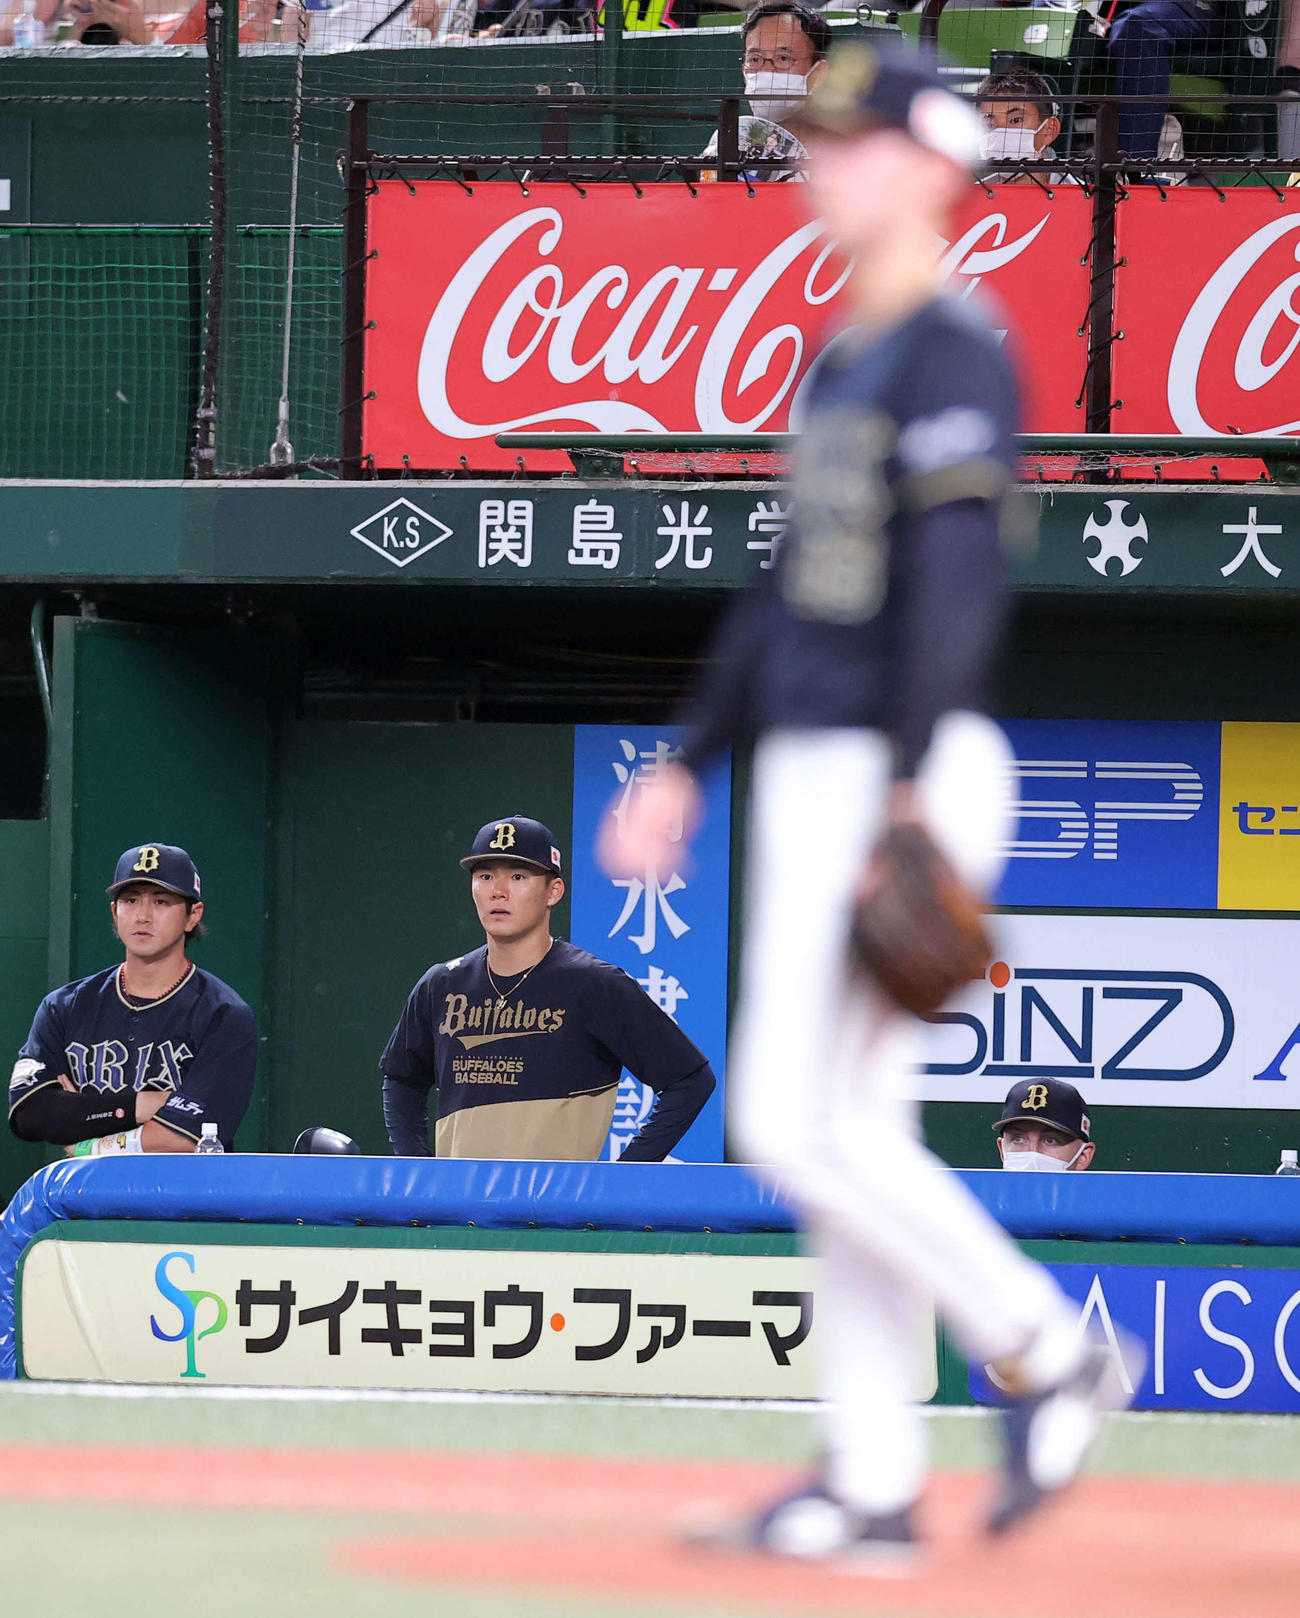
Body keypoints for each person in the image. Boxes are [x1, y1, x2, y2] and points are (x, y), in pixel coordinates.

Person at [602, 43, 1134, 1565]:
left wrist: (904, 785)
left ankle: (1045, 1346)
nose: (816, 165)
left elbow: (960, 581)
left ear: (927, 167)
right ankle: (876, 1482)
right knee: (850, 1130)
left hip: (897, 761)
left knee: (783, 1116)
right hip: (826, 760)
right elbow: (788, 592)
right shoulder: (845, 357)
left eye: (846, 142)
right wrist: (690, 760)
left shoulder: (955, 346)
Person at [380, 814, 715, 1160]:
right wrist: (417, 1174)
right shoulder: (442, 983)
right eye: (485, 876)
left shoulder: (592, 984)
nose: (498, 890)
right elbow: (402, 1078)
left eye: (518, 876)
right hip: (458, 1210)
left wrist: (622, 1177)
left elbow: (690, 1080)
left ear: (553, 891)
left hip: (552, 1213)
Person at [8, 843, 258, 1156]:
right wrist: (139, 1105)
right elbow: (31, 1115)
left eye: (162, 901)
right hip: (88, 1203)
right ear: (115, 912)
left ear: (193, 915)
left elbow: (184, 1139)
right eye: (130, 900)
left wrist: (85, 1141)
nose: (143, 916)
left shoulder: (224, 1014)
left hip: (185, 1200)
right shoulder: (65, 1006)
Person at [700, 1, 831, 183]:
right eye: (755, 59)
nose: (766, 71)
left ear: (818, 73)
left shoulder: (844, 150)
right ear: (743, 70)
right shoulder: (730, 138)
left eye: (783, 58)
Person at [1100, 0, 1220, 164]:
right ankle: (1061, 153)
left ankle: (1135, 168)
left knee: (1137, 27)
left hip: (1192, 9)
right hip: (1119, 10)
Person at [974, 67, 1078, 184]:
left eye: (1015, 120)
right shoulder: (970, 200)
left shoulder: (1087, 199)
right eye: (989, 125)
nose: (1001, 133)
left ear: (1049, 130)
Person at [995, 1078, 1095, 1171]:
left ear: (1083, 1156)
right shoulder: (980, 1190)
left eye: (1050, 1140)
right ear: (1001, 1150)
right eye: (1018, 1139)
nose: (1033, 1153)